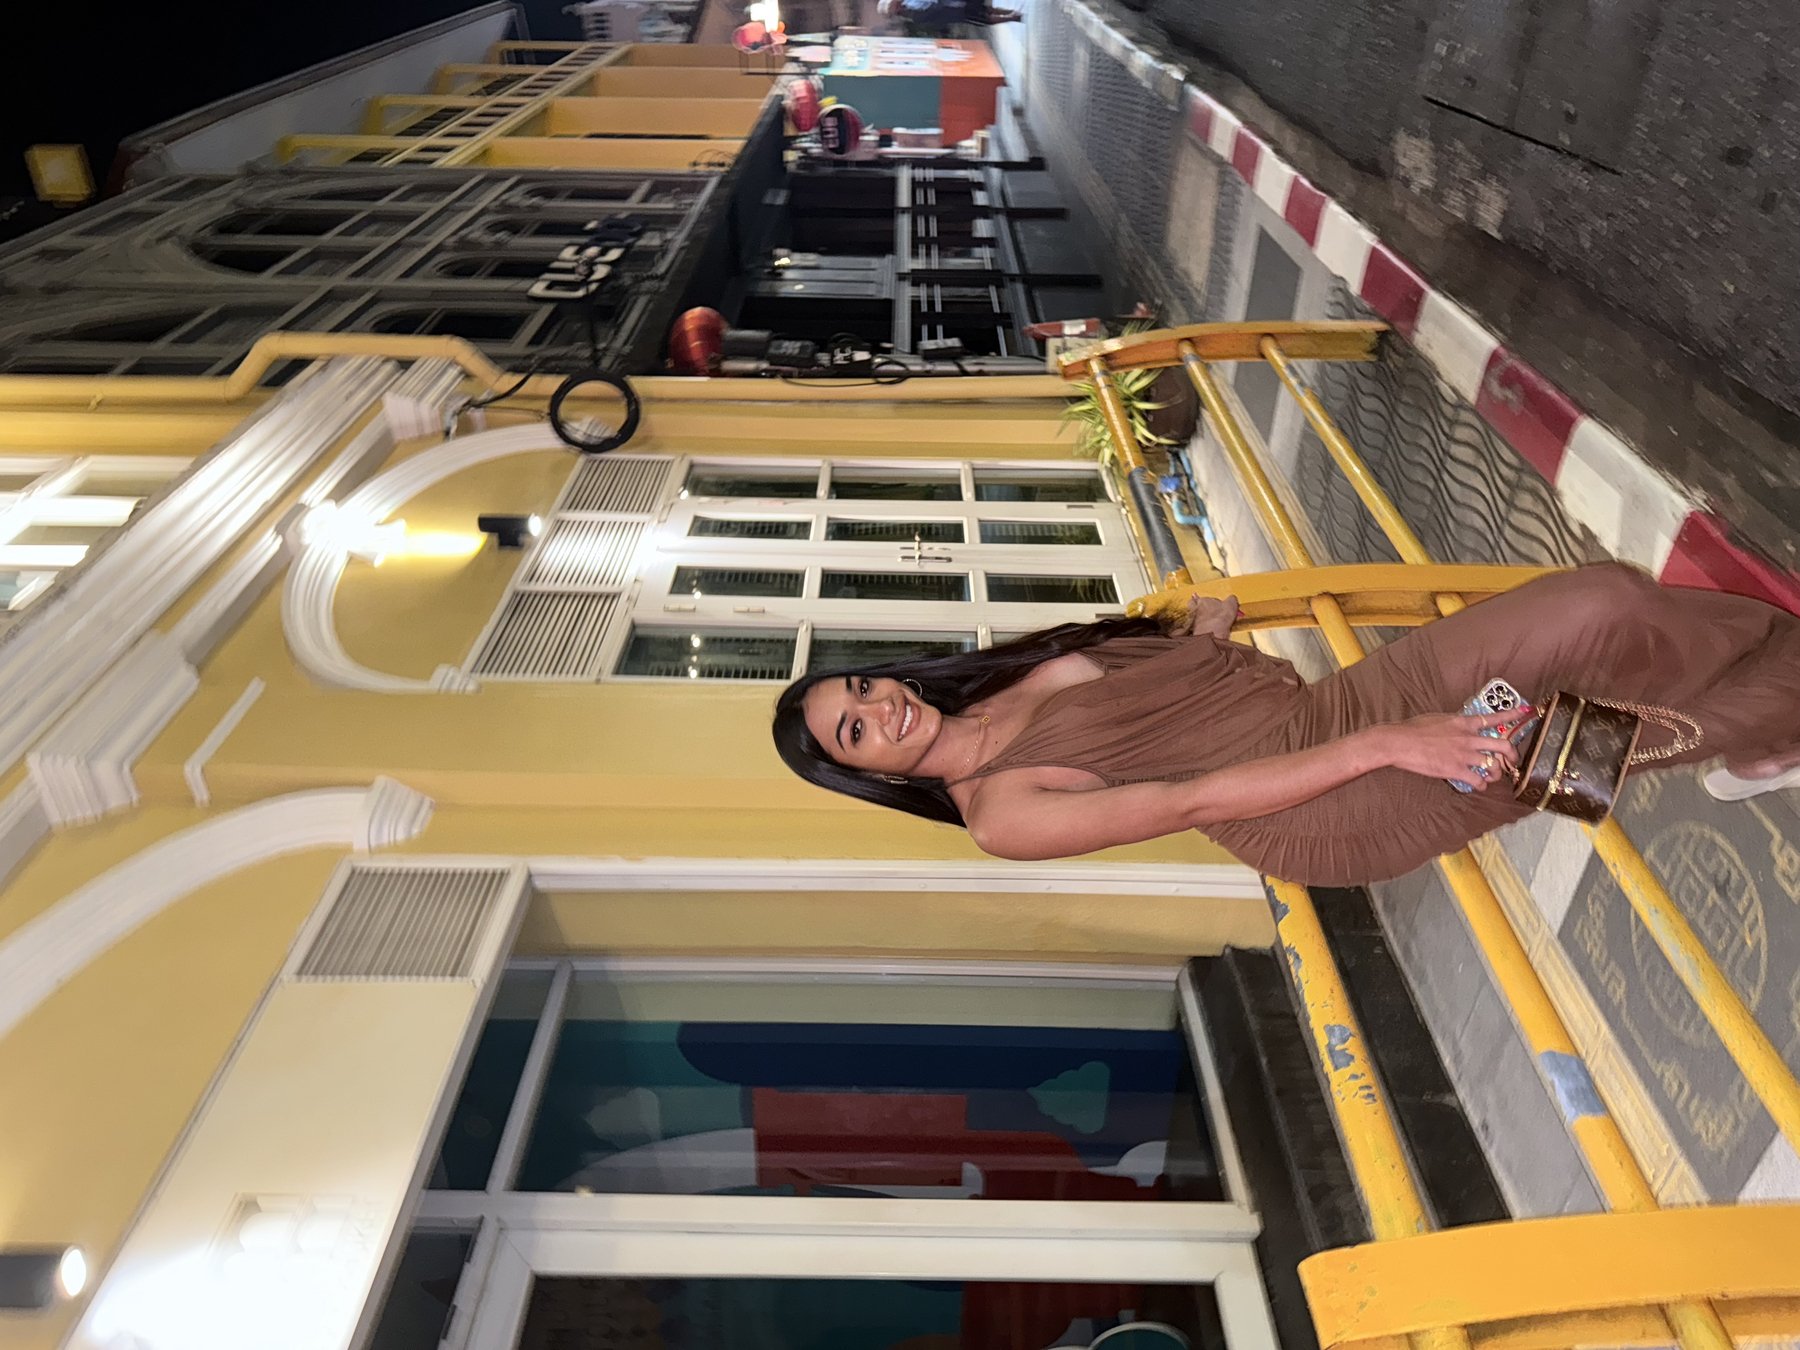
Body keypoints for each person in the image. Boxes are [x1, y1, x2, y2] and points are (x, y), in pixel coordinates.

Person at [772, 564, 1800, 887]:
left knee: (1602, 603)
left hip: (1328, 711)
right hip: (1325, 807)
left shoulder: (1000, 678)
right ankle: (1772, 728)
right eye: (854, 734)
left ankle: (1761, 724)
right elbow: (1193, 796)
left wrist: (1201, 635)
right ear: (870, 775)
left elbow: (1151, 693)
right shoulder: (1001, 817)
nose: (879, 709)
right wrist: (1389, 745)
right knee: (1585, 739)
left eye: (860, 687)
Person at [877, 0, 1023, 32]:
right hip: (954, 12)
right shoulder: (913, 14)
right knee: (983, 18)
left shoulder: (909, 3)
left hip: (953, 4)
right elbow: (932, 9)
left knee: (984, 10)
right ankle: (1012, 17)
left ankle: (1011, 14)